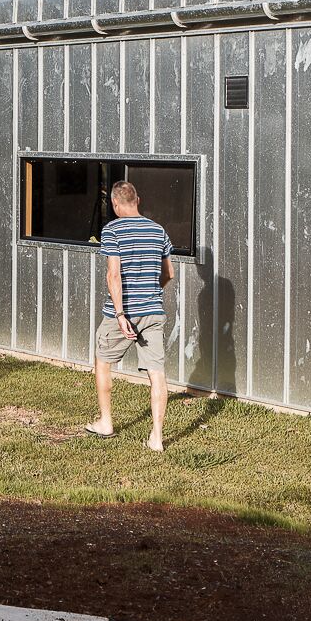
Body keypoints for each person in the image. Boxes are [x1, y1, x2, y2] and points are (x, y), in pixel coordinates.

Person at [84, 179, 177, 451]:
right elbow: (168, 273)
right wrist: (150, 293)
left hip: (121, 313)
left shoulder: (112, 230)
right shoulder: (158, 231)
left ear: (114, 204)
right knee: (157, 373)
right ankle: (156, 438)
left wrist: (122, 313)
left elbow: (113, 275)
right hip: (153, 311)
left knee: (103, 362)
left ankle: (106, 422)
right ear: (138, 200)